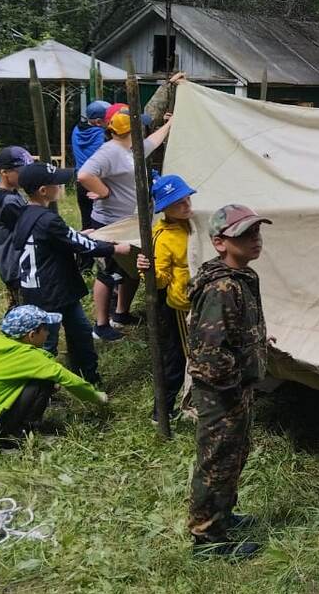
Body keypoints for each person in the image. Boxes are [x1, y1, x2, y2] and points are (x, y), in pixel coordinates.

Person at [185, 204, 272, 559]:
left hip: (237, 387)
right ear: (220, 242)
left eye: (256, 233)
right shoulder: (221, 287)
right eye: (246, 235)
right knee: (217, 459)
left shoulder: (241, 278)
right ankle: (207, 538)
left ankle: (223, 514)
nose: (256, 240)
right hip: (222, 392)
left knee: (234, 455)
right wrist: (233, 384)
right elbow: (209, 354)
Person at [10, 162, 132, 386]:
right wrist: (115, 248)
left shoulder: (27, 214)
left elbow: (54, 240)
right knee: (47, 343)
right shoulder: (48, 219)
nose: (60, 186)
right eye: (56, 182)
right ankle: (41, 390)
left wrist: (74, 234)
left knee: (81, 331)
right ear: (43, 190)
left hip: (44, 290)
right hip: (51, 293)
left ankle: (88, 377)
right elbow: (83, 246)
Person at [77, 105, 174, 340]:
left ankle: (121, 314)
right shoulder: (109, 151)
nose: (141, 126)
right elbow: (84, 174)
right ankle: (100, 325)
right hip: (109, 224)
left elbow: (154, 141)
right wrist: (104, 192)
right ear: (127, 128)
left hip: (130, 222)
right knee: (108, 273)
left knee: (129, 270)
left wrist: (171, 124)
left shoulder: (132, 148)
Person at [0, 305, 110, 447]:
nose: (49, 332)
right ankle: (18, 434)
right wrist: (96, 396)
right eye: (46, 329)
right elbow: (64, 376)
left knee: (44, 377)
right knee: (44, 381)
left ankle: (8, 430)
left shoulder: (5, 347)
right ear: (32, 335)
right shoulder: (26, 357)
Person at [136, 174, 197, 420]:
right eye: (179, 203)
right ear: (166, 209)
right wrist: (146, 269)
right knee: (179, 355)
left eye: (187, 200)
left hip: (194, 299)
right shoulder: (162, 238)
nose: (187, 206)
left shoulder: (190, 224)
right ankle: (162, 410)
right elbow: (158, 281)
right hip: (179, 305)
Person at [0, 146, 32, 305]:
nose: (26, 175)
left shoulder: (12, 194)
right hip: (17, 268)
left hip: (14, 267)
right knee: (25, 313)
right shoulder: (7, 202)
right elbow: (29, 229)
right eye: (21, 171)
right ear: (4, 173)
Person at [72, 100, 110, 227]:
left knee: (87, 223)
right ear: (99, 122)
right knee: (101, 224)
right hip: (97, 182)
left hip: (81, 181)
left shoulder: (76, 130)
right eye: (109, 119)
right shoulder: (102, 136)